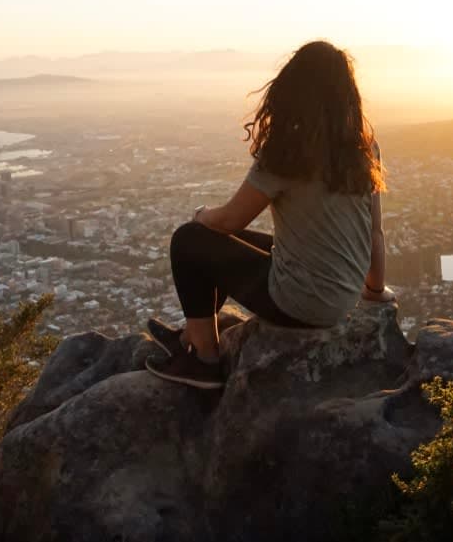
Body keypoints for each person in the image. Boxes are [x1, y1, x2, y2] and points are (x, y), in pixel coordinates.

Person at [145, 40, 394, 389]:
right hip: (343, 297)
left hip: (301, 305)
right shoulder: (363, 147)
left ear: (293, 88)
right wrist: (375, 290)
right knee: (226, 242)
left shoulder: (289, 149)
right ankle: (194, 333)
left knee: (190, 240)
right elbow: (375, 232)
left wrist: (201, 216)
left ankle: (203, 361)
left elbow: (230, 220)